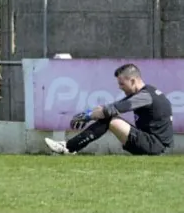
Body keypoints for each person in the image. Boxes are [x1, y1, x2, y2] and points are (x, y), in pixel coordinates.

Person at [44, 63, 174, 156]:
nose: (120, 87)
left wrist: (88, 116)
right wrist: (90, 113)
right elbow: (112, 107)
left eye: (122, 84)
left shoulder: (145, 96)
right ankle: (69, 147)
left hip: (155, 147)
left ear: (133, 81)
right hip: (154, 144)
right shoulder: (146, 94)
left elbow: (111, 110)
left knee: (109, 118)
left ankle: (68, 148)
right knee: (107, 114)